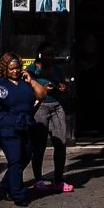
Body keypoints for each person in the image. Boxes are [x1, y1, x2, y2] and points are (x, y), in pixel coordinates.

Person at [0, 55, 39, 206]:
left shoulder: (25, 83)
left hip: (25, 125)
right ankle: (18, 195)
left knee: (26, 156)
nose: (15, 71)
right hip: (8, 126)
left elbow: (41, 95)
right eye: (11, 68)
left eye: (17, 68)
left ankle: (5, 185)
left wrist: (31, 81)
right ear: (5, 69)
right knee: (15, 160)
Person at [28, 52, 75, 194]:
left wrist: (62, 88)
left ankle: (59, 180)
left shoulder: (58, 69)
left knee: (60, 143)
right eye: (46, 54)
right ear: (40, 55)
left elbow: (63, 85)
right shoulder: (32, 69)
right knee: (39, 145)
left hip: (56, 105)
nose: (49, 57)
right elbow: (27, 84)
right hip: (40, 106)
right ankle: (38, 180)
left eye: (51, 53)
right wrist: (41, 88)